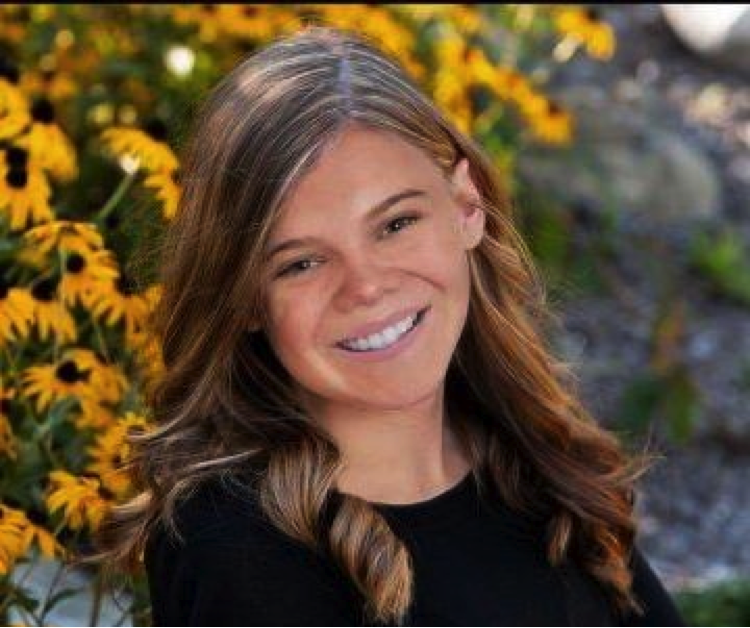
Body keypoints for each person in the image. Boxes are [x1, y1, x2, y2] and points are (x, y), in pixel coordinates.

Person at [95, 25, 688, 627]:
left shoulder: (534, 462)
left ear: (467, 206)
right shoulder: (243, 559)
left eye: (395, 224)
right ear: (244, 297)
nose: (366, 286)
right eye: (302, 263)